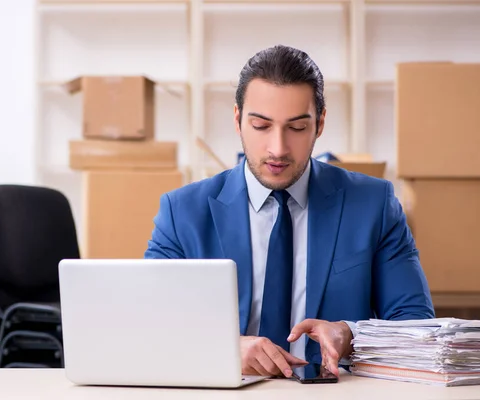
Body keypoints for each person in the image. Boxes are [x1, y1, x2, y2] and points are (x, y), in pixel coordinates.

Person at [144, 44, 435, 379]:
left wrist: (351, 335)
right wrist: (220, 347)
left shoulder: (374, 204)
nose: (278, 149)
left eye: (296, 128)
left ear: (320, 124)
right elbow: (151, 326)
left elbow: (417, 328)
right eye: (261, 126)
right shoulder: (182, 213)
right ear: (238, 120)